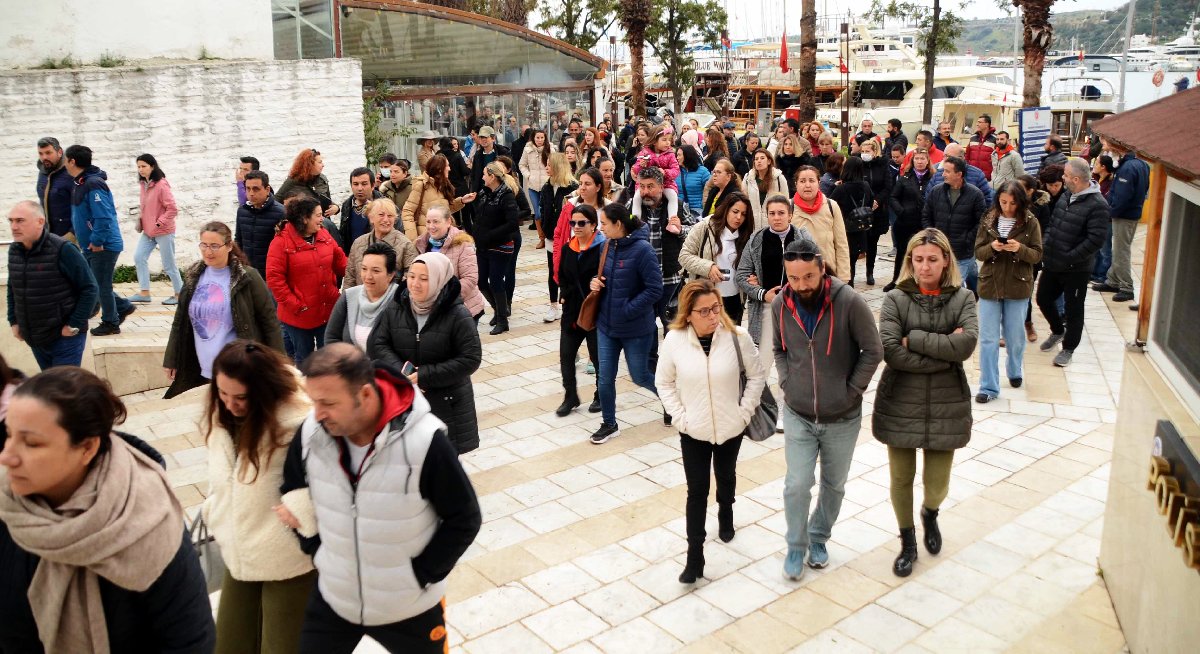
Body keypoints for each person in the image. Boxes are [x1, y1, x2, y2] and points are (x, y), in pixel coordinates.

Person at [275, 344, 481, 652]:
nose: (317, 414)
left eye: (328, 403)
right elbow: (292, 490)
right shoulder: (311, 434)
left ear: (366, 395)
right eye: (313, 401)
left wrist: (419, 575)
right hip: (335, 598)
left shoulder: (425, 441)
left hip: (408, 606)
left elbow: (464, 518)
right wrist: (316, 550)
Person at [0, 367, 216, 653]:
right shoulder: (6, 504)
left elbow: (191, 641)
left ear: (87, 448)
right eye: (8, 434)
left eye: (32, 443)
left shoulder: (149, 523)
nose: (7, 456)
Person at [774, 237, 883, 579]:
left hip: (842, 416)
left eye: (808, 277)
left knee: (833, 485)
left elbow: (873, 349)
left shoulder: (848, 301)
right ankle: (795, 546)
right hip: (798, 412)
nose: (801, 285)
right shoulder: (781, 303)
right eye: (793, 278)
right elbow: (778, 348)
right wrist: (787, 381)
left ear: (822, 268)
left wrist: (852, 391)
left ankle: (818, 537)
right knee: (796, 484)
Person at [874, 228, 979, 577]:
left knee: (937, 484)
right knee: (901, 479)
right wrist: (944, 351)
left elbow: (966, 346)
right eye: (918, 260)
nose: (924, 267)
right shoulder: (894, 299)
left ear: (946, 260)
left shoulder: (963, 298)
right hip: (901, 400)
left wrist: (914, 338)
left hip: (946, 403)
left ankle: (930, 513)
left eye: (932, 260)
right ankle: (907, 541)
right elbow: (891, 350)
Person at [203, 341, 316, 654]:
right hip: (239, 552)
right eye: (222, 394)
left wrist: (301, 517)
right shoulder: (221, 418)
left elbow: (329, 487)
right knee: (228, 645)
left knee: (280, 648)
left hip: (288, 558)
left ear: (264, 390)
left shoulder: (298, 425)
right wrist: (214, 510)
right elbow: (221, 478)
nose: (229, 404)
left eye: (240, 397)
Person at [658, 279, 765, 584]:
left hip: (731, 426)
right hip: (694, 430)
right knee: (697, 491)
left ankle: (726, 510)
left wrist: (743, 413)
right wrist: (681, 418)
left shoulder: (737, 337)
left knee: (727, 474)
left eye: (715, 308)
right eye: (703, 311)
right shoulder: (674, 340)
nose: (712, 316)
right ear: (688, 313)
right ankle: (695, 557)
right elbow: (663, 382)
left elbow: (757, 377)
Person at [367, 253, 483, 453]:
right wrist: (402, 373)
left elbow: (470, 358)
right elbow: (378, 344)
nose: (415, 284)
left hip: (447, 404)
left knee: (442, 467)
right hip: (405, 401)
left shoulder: (457, 314)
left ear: (439, 279)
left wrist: (424, 375)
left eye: (424, 278)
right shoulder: (397, 306)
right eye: (411, 277)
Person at [164, 221, 284, 398]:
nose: (208, 251)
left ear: (228, 246)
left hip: (238, 367)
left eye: (214, 246)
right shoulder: (193, 276)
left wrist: (279, 364)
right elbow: (179, 321)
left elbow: (269, 322)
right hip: (202, 367)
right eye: (204, 245)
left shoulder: (247, 277)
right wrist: (171, 359)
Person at [589, 204, 663, 444]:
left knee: (640, 375)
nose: (600, 228)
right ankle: (609, 424)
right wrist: (596, 283)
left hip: (635, 329)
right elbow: (605, 277)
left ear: (618, 224)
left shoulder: (643, 250)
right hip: (606, 326)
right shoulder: (607, 245)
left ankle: (672, 401)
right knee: (604, 377)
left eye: (604, 224)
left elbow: (655, 289)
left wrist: (628, 309)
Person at [6, 201, 98, 370]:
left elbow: (90, 288)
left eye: (20, 221)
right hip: (35, 338)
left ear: (40, 222)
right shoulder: (14, 251)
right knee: (51, 389)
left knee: (63, 391)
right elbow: (13, 288)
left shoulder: (63, 249)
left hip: (64, 338)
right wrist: (14, 321)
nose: (13, 226)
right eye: (10, 220)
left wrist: (73, 325)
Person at [973, 181, 1042, 403]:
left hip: (1017, 285)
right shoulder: (989, 219)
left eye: (1012, 203)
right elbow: (979, 252)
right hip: (989, 285)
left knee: (1015, 337)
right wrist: (992, 247)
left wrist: (1019, 249)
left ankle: (1014, 369)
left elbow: (1037, 255)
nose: (1008, 207)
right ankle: (988, 386)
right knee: (988, 339)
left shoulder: (1031, 222)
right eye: (1003, 202)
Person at [1037, 158, 1110, 367]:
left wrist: (1070, 257)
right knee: (1043, 299)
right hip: (1053, 262)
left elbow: (1095, 240)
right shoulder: (1067, 195)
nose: (1062, 178)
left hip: (1076, 269)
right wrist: (1046, 242)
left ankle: (1068, 348)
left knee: (1074, 309)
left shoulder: (1098, 205)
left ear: (1076, 179)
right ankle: (1058, 331)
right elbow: (1053, 222)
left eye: (1066, 176)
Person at [736, 195, 813, 381]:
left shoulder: (803, 238)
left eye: (781, 213)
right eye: (772, 213)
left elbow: (817, 273)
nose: (776, 217)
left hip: (798, 309)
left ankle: (794, 400)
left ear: (790, 215)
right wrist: (763, 294)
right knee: (762, 361)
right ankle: (760, 404)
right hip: (767, 308)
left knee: (797, 361)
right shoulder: (756, 239)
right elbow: (741, 275)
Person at [267, 196, 348, 364]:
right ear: (305, 218)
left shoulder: (323, 234)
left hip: (327, 309)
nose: (322, 219)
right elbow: (275, 280)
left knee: (330, 358)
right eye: (318, 215)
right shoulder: (281, 242)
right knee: (306, 360)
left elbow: (341, 262)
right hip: (299, 316)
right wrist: (297, 305)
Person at [64, 144, 134, 336]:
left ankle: (111, 322)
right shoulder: (81, 182)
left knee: (100, 286)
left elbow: (103, 216)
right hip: (91, 245)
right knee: (96, 283)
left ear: (72, 161)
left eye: (66, 161)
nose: (65, 165)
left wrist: (97, 240)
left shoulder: (93, 184)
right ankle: (122, 306)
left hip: (103, 246)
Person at [554, 204, 605, 416]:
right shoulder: (568, 248)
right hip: (572, 313)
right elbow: (562, 275)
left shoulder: (603, 248)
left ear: (593, 225)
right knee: (566, 356)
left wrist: (600, 283)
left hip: (595, 312)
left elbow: (608, 277)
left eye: (582, 223)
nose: (576, 226)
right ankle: (570, 396)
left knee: (598, 358)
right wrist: (564, 296)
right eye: (573, 222)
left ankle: (600, 394)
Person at [679, 192, 755, 323]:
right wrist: (708, 267)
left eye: (743, 214)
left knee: (730, 341)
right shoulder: (705, 227)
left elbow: (749, 266)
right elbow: (684, 256)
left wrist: (752, 276)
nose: (738, 217)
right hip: (706, 298)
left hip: (735, 299)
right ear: (726, 209)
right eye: (735, 211)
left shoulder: (746, 235)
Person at [1093, 143, 1150, 303]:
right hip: (1131, 213)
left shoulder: (1127, 169)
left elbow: (1122, 196)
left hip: (1124, 216)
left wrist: (1110, 213)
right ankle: (1113, 280)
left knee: (1121, 251)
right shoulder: (1142, 165)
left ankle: (1126, 287)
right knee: (1119, 250)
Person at [922, 156, 988, 293]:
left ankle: (970, 298)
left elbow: (982, 222)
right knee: (967, 277)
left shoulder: (975, 194)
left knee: (951, 288)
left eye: (947, 171)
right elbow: (926, 216)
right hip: (940, 249)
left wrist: (967, 240)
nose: (943, 174)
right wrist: (932, 236)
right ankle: (974, 293)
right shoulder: (936, 191)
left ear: (959, 174)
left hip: (962, 252)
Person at [128, 154, 184, 306]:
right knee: (139, 257)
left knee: (169, 264)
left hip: (163, 231)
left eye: (144, 166)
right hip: (148, 231)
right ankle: (144, 293)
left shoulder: (161, 185)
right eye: (138, 166)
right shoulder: (143, 184)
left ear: (152, 166)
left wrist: (159, 224)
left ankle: (180, 295)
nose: (141, 169)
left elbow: (172, 209)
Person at [472, 162, 521, 335]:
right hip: (483, 246)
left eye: (485, 174)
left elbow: (512, 223)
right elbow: (480, 216)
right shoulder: (485, 193)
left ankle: (502, 320)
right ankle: (499, 309)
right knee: (481, 282)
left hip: (500, 246)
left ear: (493, 177)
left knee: (496, 282)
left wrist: (491, 235)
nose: (482, 177)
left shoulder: (506, 195)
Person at [414, 206, 487, 322]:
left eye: (436, 222)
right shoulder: (421, 243)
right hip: (433, 310)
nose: (431, 226)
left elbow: (470, 278)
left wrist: (444, 298)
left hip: (463, 309)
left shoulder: (463, 243)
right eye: (428, 222)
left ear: (448, 222)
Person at [326, 241, 401, 351]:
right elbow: (331, 337)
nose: (368, 276)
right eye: (364, 269)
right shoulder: (349, 297)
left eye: (375, 271)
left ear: (390, 275)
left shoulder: (400, 300)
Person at [790, 166, 851, 281]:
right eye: (802, 181)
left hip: (827, 273)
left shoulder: (831, 206)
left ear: (819, 183)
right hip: (798, 276)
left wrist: (843, 277)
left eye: (811, 181)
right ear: (796, 184)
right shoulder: (789, 207)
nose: (807, 185)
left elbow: (841, 244)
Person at [886, 149, 935, 292]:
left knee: (921, 254)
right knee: (902, 253)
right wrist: (901, 211)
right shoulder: (905, 178)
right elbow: (893, 197)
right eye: (917, 159)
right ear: (912, 161)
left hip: (923, 224)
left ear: (927, 161)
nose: (919, 162)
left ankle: (918, 281)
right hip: (904, 223)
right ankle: (896, 280)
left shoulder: (933, 179)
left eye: (922, 159)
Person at [343, 198, 417, 289]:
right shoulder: (358, 243)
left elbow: (410, 277)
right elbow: (350, 277)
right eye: (381, 215)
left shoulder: (406, 245)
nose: (386, 220)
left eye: (390, 216)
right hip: (361, 299)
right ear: (371, 218)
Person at [402, 154, 475, 241]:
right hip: (427, 239)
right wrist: (413, 239)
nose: (449, 169)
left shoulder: (442, 185)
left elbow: (445, 210)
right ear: (440, 169)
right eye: (447, 166)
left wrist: (462, 201)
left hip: (444, 237)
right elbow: (407, 212)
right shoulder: (422, 184)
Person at [831, 156, 876, 286]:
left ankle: (846, 288)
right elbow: (871, 201)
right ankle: (850, 285)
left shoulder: (841, 189)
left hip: (844, 230)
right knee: (853, 262)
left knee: (845, 263)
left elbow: (829, 205)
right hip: (861, 229)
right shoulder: (866, 186)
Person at [236, 170, 286, 279]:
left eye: (256, 189)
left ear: (267, 189)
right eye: (248, 189)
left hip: (272, 275)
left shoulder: (281, 212)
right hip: (248, 274)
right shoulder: (242, 211)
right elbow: (238, 241)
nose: (251, 193)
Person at [630, 123, 681, 224]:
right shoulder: (644, 153)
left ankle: (672, 220)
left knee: (673, 196)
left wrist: (665, 172)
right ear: (654, 142)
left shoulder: (670, 154)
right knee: (636, 198)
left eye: (669, 140)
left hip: (666, 183)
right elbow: (636, 170)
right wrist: (641, 165)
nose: (668, 143)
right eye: (664, 140)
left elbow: (676, 170)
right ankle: (634, 220)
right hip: (646, 185)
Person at [276, 148, 338, 220]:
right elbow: (276, 200)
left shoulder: (322, 179)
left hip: (323, 222)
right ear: (310, 164)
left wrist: (336, 208)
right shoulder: (293, 181)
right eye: (320, 162)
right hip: (302, 224)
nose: (323, 165)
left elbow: (327, 200)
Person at [35, 137, 74, 238]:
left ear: (60, 152)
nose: (44, 157)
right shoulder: (43, 172)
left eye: (48, 153)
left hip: (70, 238)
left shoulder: (71, 172)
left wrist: (72, 235)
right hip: (48, 237)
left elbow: (84, 207)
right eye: (41, 153)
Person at [338, 168, 382, 255]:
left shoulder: (384, 205)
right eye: (355, 184)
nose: (360, 188)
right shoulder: (347, 205)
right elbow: (344, 236)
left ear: (373, 185)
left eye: (364, 184)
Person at [743, 149, 789, 231]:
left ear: (769, 161)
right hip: (752, 224)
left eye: (762, 158)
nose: (759, 161)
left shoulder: (779, 178)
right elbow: (744, 200)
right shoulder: (748, 178)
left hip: (773, 224)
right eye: (756, 159)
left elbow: (786, 201)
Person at [520, 129, 554, 227]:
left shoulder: (550, 149)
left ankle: (546, 234)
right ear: (533, 138)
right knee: (537, 213)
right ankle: (541, 238)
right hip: (533, 185)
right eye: (537, 138)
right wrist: (528, 175)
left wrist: (550, 176)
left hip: (547, 184)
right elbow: (522, 165)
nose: (540, 140)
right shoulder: (527, 149)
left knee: (544, 211)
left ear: (545, 138)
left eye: (542, 137)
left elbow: (555, 164)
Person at [469, 126, 511, 193]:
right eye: (481, 137)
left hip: (500, 191)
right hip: (482, 192)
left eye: (485, 137)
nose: (483, 139)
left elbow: (511, 172)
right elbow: (474, 175)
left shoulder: (503, 153)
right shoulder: (478, 155)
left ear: (493, 138)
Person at [676, 144, 711, 212]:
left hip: (697, 210)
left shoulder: (702, 172)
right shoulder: (675, 172)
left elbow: (710, 189)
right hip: (680, 210)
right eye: (677, 155)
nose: (677, 158)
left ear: (687, 156)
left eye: (679, 155)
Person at [964, 115, 997, 180]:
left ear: (987, 124)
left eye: (979, 122)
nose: (977, 124)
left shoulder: (995, 139)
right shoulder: (972, 138)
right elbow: (967, 156)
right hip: (972, 175)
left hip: (987, 177)